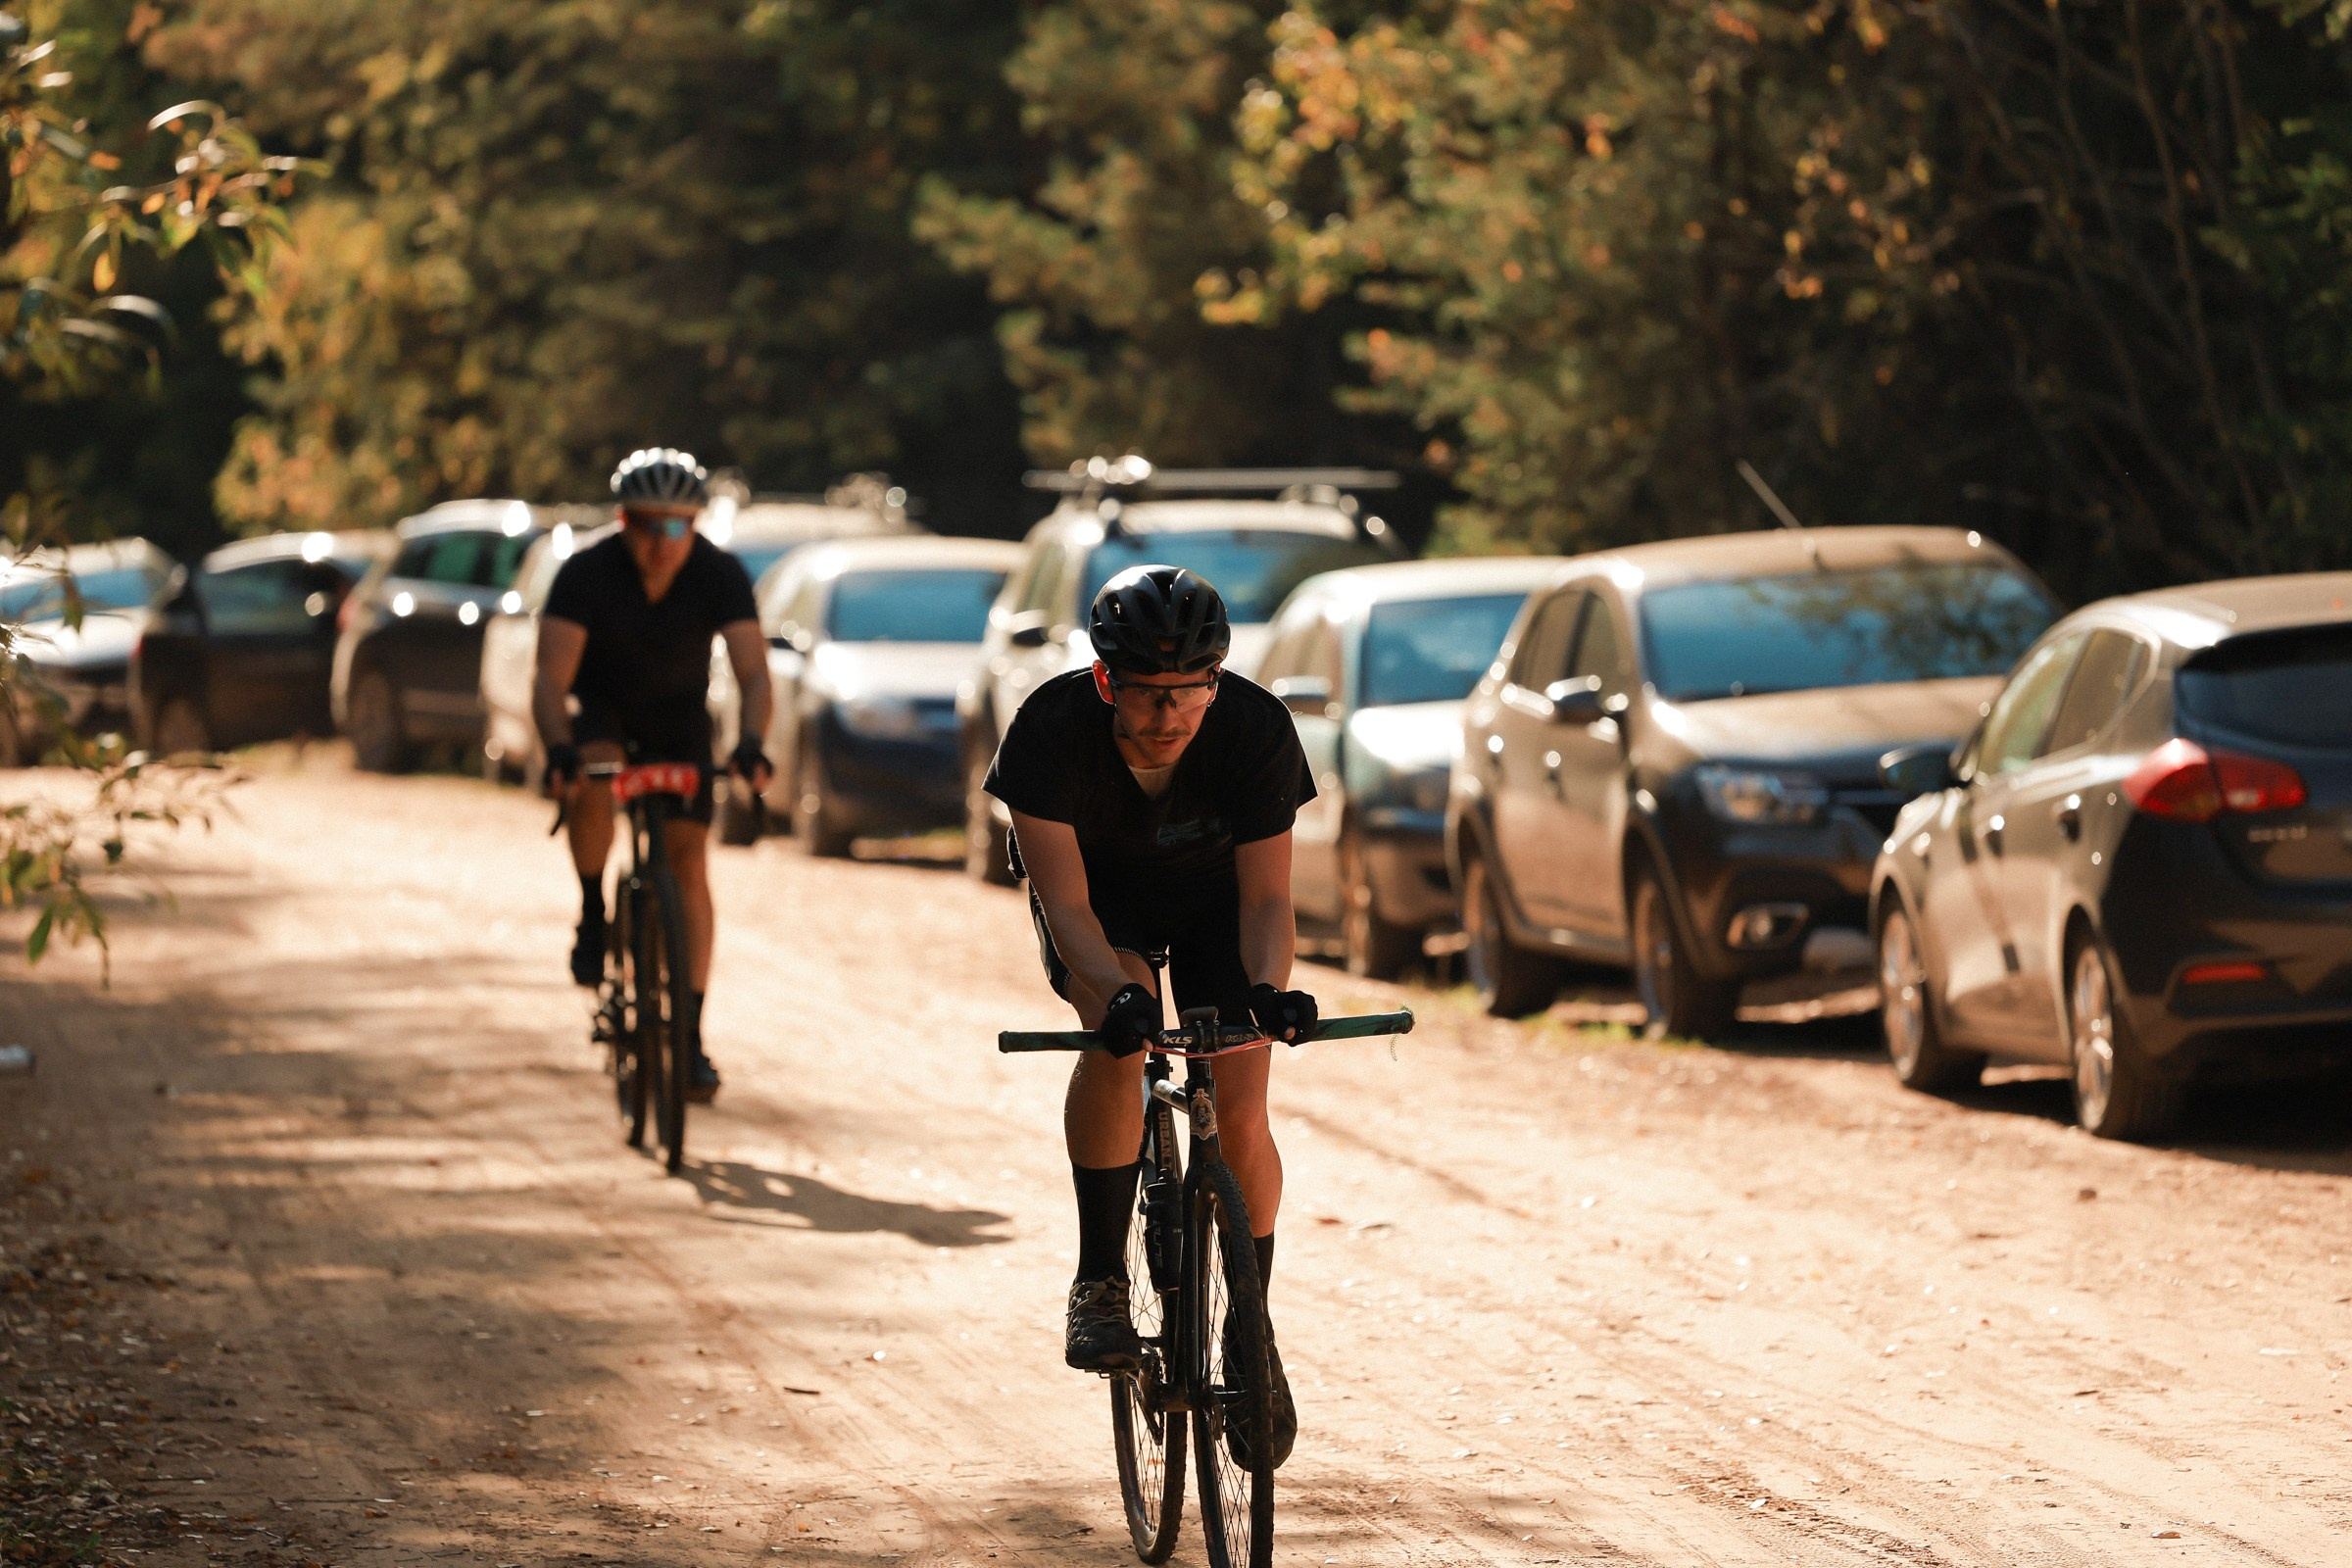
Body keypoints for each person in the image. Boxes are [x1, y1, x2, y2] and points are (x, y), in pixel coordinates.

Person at [984, 564, 1320, 1468]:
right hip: (1104, 909)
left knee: (1242, 1098)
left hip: (1217, 906)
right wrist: (1116, 1000)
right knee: (1119, 1047)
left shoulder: (1253, 729)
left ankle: (1251, 1333)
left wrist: (1268, 991)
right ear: (1105, 681)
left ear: (1215, 681)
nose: (1169, 717)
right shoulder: (1050, 731)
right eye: (1146, 696)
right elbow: (1067, 907)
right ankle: (1100, 1277)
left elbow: (1265, 904)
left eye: (1189, 695)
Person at [533, 448, 773, 1102]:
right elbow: (550, 681)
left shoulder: (718, 572)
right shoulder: (585, 572)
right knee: (594, 778)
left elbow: (753, 672)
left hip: (679, 719)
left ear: (694, 526)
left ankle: (690, 1037)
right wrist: (560, 749)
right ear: (623, 521)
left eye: (677, 527)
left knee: (691, 864)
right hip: (604, 712)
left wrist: (752, 742)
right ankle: (591, 910)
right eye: (647, 526)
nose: (662, 543)